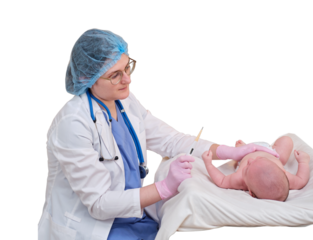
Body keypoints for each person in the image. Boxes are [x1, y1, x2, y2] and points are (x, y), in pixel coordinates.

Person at [35, 27, 269, 240]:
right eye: (115, 74)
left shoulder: (124, 99)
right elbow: (99, 203)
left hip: (134, 215)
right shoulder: (72, 124)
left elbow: (170, 140)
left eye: (128, 66)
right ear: (88, 77)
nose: (128, 79)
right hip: (93, 229)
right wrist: (164, 188)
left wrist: (228, 151)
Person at [202, 136, 311, 202]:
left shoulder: (240, 180)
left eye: (246, 169)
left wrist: (209, 164)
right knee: (286, 141)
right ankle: (242, 148)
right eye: (260, 159)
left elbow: (221, 181)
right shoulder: (286, 179)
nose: (250, 161)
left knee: (239, 153)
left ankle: (241, 147)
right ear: (283, 171)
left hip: (246, 153)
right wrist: (303, 161)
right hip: (272, 153)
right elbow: (301, 179)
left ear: (250, 192)